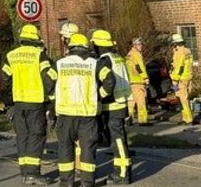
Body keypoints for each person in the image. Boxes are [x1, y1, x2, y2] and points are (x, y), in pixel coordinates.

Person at [54, 33, 113, 187]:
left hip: (65, 115)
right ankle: (87, 182)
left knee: (65, 148)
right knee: (88, 149)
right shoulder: (95, 64)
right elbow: (110, 81)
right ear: (86, 48)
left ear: (70, 47)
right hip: (87, 115)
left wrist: (54, 99)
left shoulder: (60, 64)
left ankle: (66, 182)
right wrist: (99, 96)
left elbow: (47, 81)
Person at [2, 24, 57, 186]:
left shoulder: (11, 55)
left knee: (23, 136)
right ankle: (33, 173)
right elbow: (48, 79)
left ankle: (25, 173)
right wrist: (51, 100)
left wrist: (9, 104)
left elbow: (5, 80)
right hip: (35, 102)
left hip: (18, 103)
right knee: (36, 136)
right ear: (35, 39)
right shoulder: (39, 55)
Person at [92, 29, 133, 185]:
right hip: (121, 102)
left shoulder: (104, 60)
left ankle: (122, 174)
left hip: (112, 105)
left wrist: (99, 95)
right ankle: (120, 171)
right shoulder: (117, 57)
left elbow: (108, 83)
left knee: (118, 142)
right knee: (118, 140)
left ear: (97, 45)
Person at [169, 33, 193, 125]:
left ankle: (187, 119)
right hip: (188, 77)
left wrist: (175, 80)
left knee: (182, 99)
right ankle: (185, 117)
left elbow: (179, 67)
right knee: (185, 97)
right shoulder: (187, 51)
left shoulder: (179, 53)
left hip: (180, 79)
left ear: (175, 44)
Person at [126, 37, 150, 126]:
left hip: (131, 81)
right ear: (134, 45)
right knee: (141, 101)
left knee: (131, 101)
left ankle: (129, 118)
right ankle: (143, 120)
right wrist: (145, 77)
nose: (141, 46)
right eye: (139, 44)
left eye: (141, 44)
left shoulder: (128, 55)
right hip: (138, 81)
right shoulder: (136, 54)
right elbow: (139, 67)